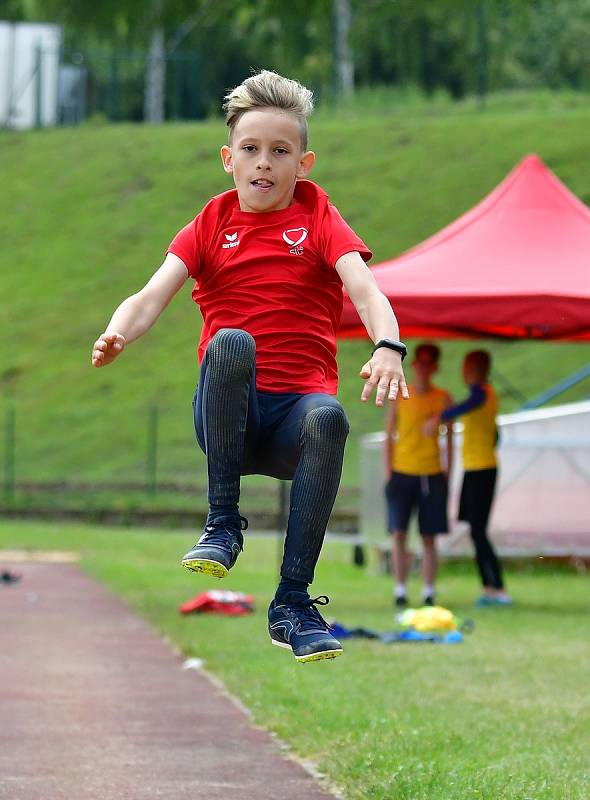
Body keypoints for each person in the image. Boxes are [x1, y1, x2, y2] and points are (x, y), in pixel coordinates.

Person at [91, 70, 408, 663]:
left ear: (304, 163)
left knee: (330, 418)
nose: (264, 163)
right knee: (232, 343)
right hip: (228, 420)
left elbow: (365, 291)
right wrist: (117, 332)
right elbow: (149, 296)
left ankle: (291, 604)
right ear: (228, 159)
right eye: (251, 150)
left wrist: (388, 347)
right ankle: (223, 521)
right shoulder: (211, 223)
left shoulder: (318, 218)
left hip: (292, 420)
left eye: (280, 152)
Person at [425, 350, 511, 606]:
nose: (462, 372)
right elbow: (495, 434)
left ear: (474, 369)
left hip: (483, 469)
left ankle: (497, 589)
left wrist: (441, 417)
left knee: (478, 530)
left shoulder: (482, 392)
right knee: (476, 531)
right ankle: (490, 587)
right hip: (476, 468)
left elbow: (469, 403)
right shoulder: (487, 396)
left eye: (465, 367)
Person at [384, 343, 453, 608]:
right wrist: (388, 471)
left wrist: (448, 471)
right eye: (419, 364)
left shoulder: (443, 398)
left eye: (428, 364)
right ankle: (400, 589)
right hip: (402, 472)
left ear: (434, 368)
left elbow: (449, 439)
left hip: (432, 474)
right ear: (413, 367)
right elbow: (390, 435)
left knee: (429, 536)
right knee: (399, 533)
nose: (423, 369)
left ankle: (428, 590)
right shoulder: (401, 394)